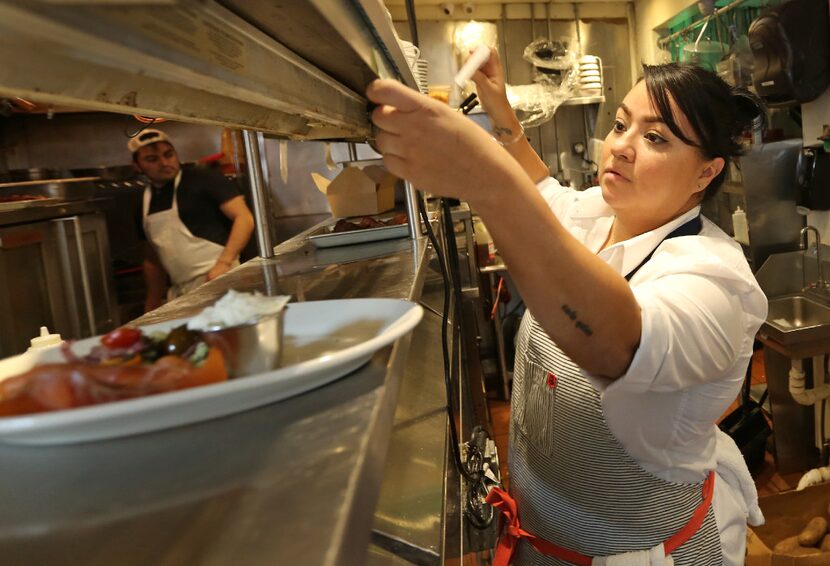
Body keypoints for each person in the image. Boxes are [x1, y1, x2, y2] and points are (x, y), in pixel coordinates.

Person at [367, 52, 768, 565]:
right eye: (621, 124)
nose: (620, 146)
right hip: (545, 543)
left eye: (655, 137)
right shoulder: (603, 214)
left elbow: (616, 343)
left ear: (705, 173)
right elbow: (546, 195)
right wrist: (502, 114)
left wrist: (484, 178)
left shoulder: (714, 282)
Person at [129, 129, 254, 312]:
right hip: (182, 293)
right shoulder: (143, 203)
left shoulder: (203, 178)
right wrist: (152, 305)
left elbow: (244, 218)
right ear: (137, 165)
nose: (164, 163)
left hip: (221, 280)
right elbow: (153, 260)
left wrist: (224, 263)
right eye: (152, 159)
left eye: (168, 155)